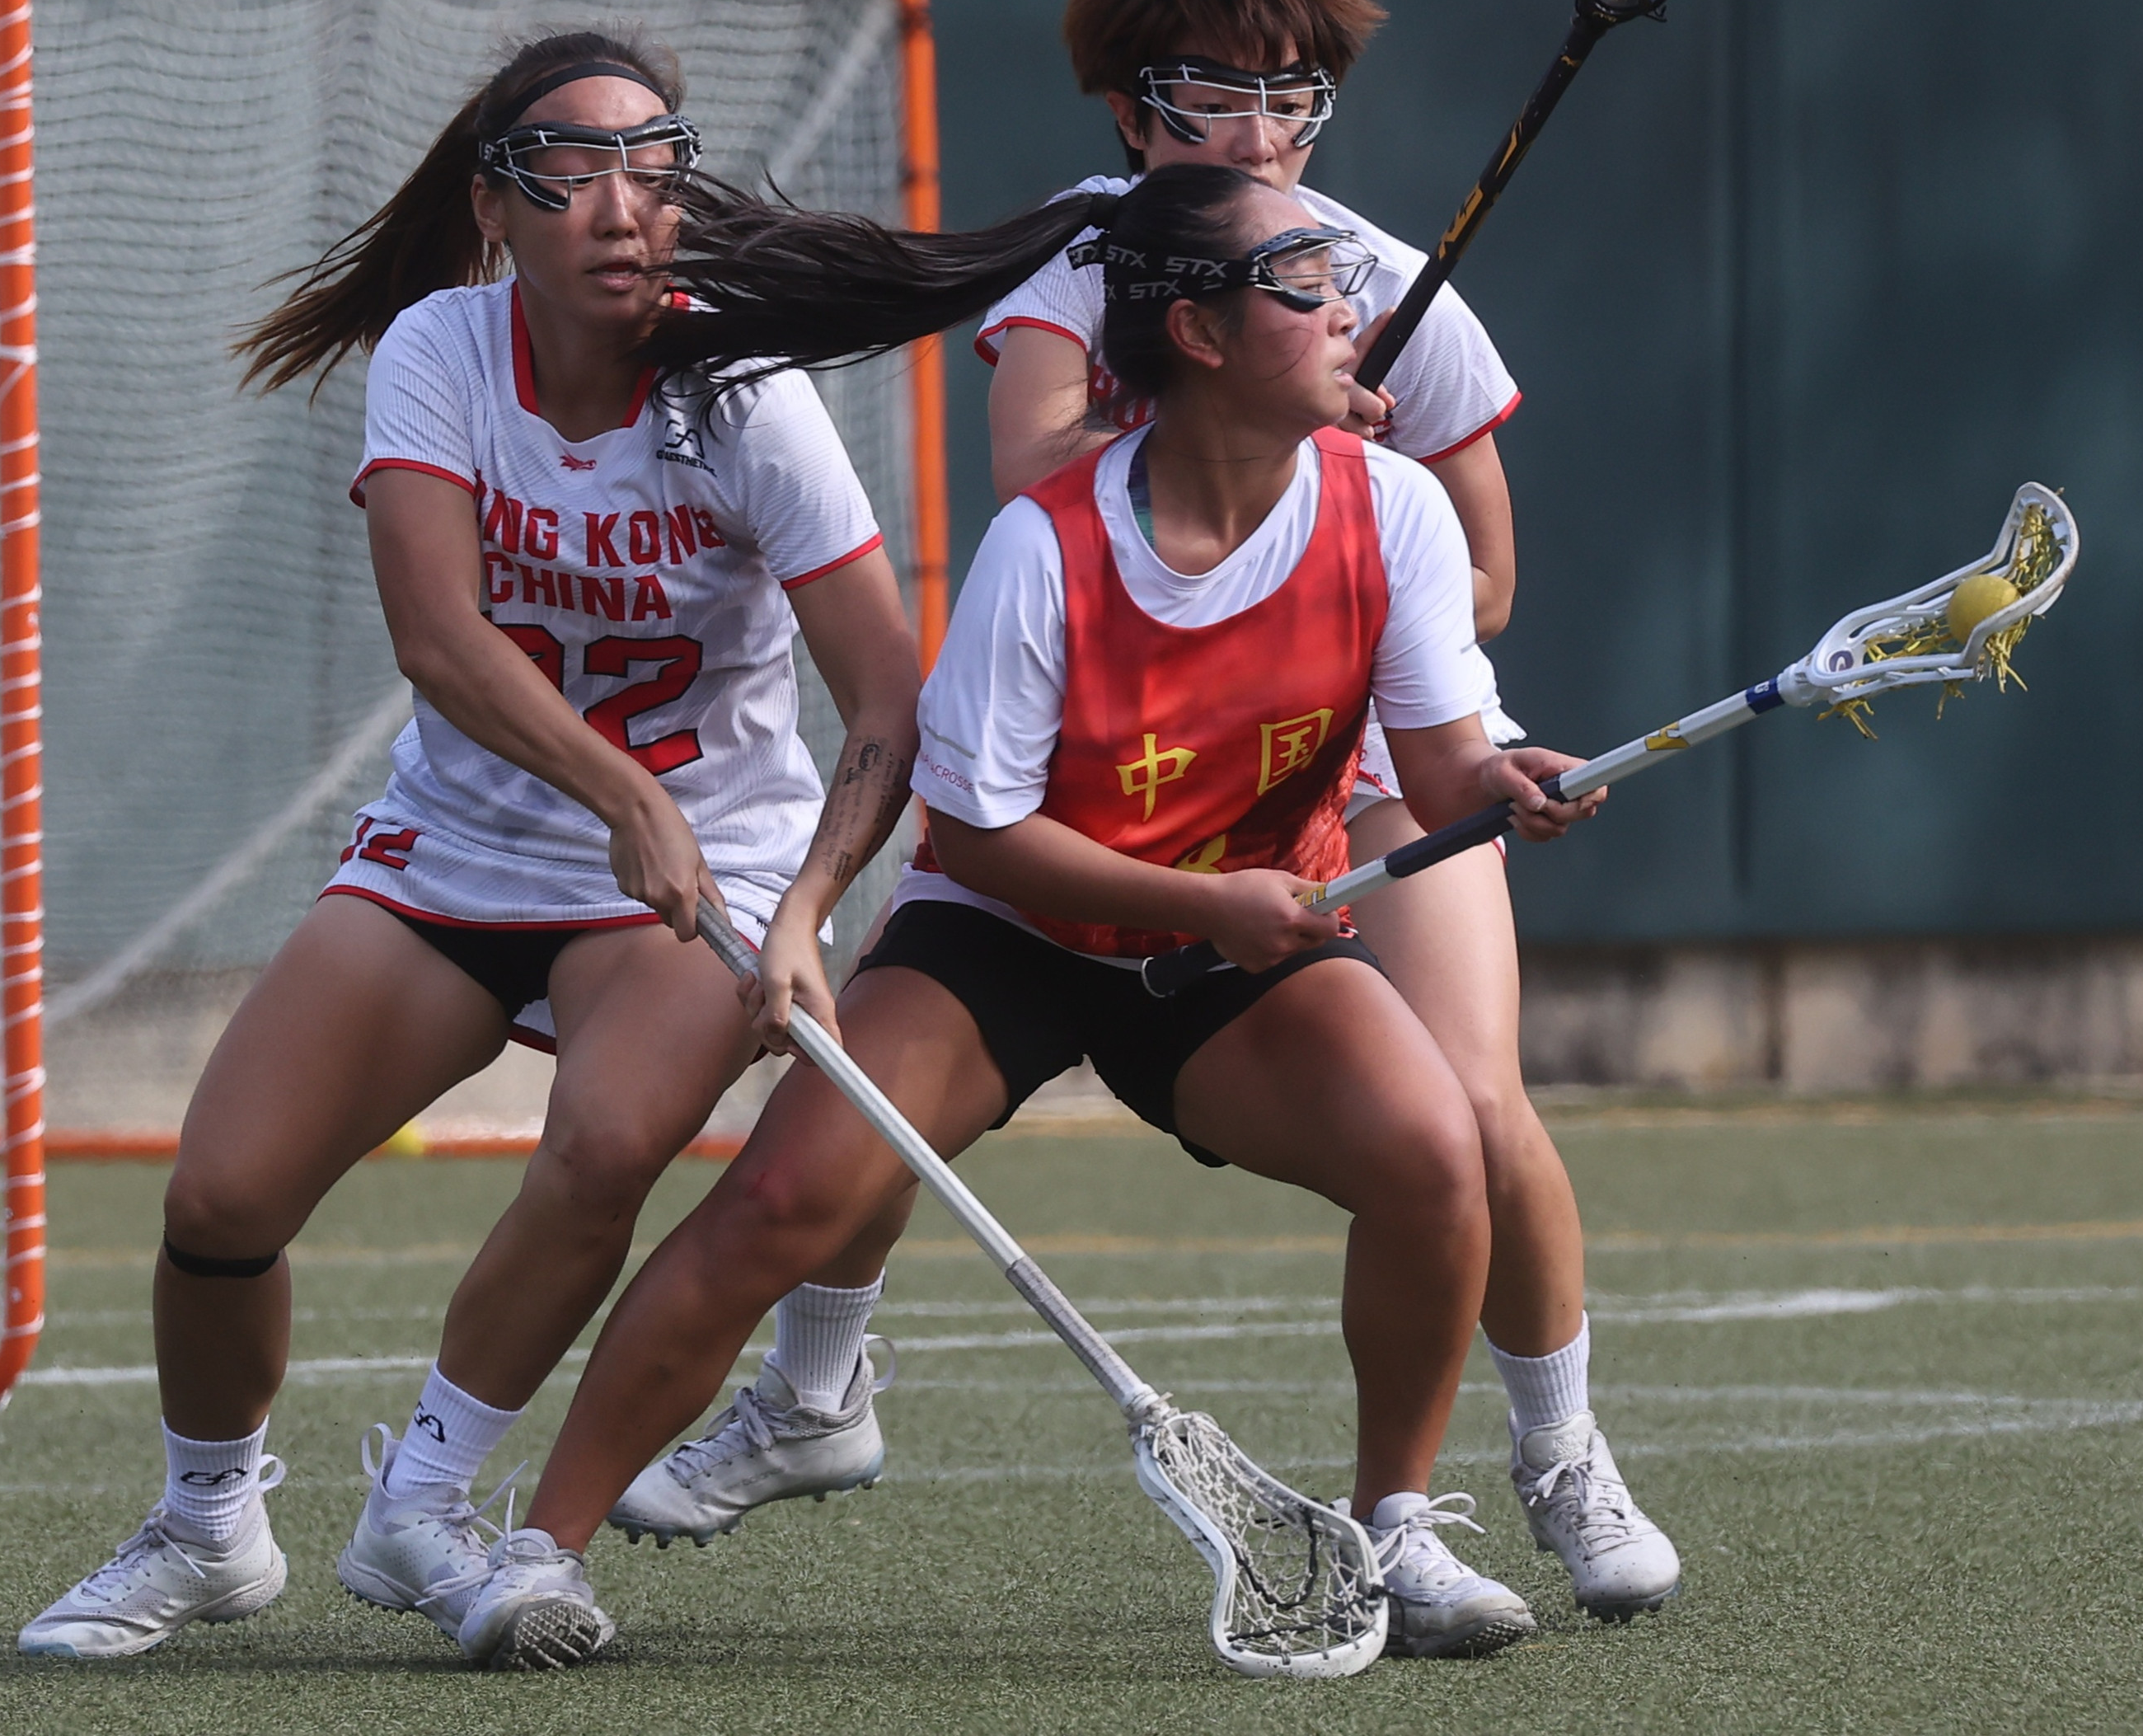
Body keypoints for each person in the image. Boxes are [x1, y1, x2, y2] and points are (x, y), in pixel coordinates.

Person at [636, 0, 1680, 1624]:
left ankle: (1552, 1462)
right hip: (1130, 744)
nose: (1257, 130)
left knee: (1470, 1108)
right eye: (1214, 92)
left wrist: (1350, 480)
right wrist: (1247, 425)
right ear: (1130, 109)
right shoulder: (1089, 266)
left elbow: (1485, 572)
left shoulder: (1369, 278)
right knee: (907, 1014)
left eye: (1292, 95)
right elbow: (1040, 461)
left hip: (1359, 746)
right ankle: (817, 1385)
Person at [452, 162, 1606, 1670]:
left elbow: (1444, 758)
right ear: (1196, 333)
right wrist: (1204, 900)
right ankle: (537, 1556)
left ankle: (1392, 1526)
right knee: (782, 1207)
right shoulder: (1050, 546)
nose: (1351, 309)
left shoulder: (1391, 509)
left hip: (1229, 947)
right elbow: (986, 841)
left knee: (1435, 1151)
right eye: (1305, 284)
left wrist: (1507, 780)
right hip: (1012, 937)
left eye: (1341, 279)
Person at [15, 28, 922, 1660]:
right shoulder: (441, 349)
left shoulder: (747, 397)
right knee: (219, 1194)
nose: (622, 207)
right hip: (464, 846)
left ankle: (426, 1500)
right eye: (572, 174)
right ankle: (207, 1523)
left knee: (601, 1144)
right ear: (496, 211)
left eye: (655, 169)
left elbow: (883, 701)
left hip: (701, 873)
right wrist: (619, 792)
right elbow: (437, 638)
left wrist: (802, 909)